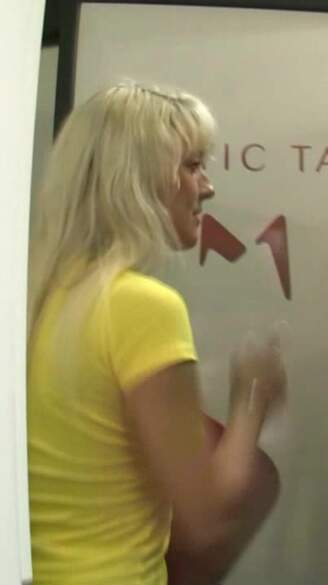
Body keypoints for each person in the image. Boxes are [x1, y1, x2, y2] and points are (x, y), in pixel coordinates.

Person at [27, 82, 284, 584]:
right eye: (193, 166)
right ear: (137, 180)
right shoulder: (141, 308)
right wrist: (252, 397)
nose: (207, 187)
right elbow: (205, 520)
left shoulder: (37, 300)